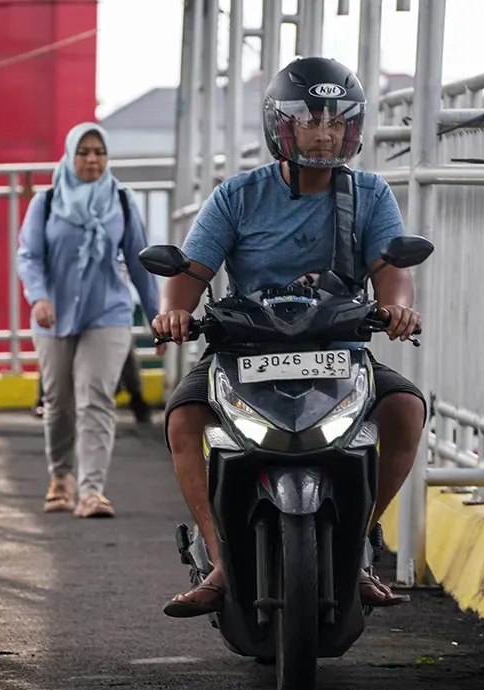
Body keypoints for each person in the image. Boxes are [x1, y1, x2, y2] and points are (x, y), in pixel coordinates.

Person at [152, 57, 426, 616]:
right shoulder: (236, 195)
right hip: (247, 350)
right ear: (282, 125)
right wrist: (172, 315)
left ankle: (358, 551)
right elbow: (190, 273)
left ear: (351, 128)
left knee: (405, 411)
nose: (323, 134)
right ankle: (222, 558)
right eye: (309, 120)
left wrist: (398, 309)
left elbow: (392, 270)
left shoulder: (369, 194)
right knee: (183, 418)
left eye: (335, 121)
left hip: (337, 350)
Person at [17, 121, 161, 518]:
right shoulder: (46, 202)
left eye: (100, 152)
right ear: (70, 155)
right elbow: (28, 256)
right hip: (54, 314)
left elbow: (139, 261)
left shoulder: (120, 200)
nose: (93, 160)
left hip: (108, 311)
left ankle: (91, 491)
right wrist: (39, 297)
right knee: (59, 401)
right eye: (84, 152)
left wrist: (156, 319)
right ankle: (61, 477)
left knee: (95, 397)